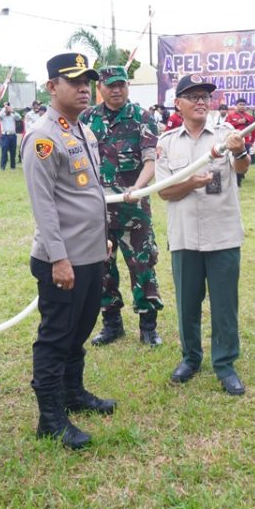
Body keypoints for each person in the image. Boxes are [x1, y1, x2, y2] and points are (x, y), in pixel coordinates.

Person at [20, 53, 116, 450]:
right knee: (56, 336)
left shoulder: (82, 131)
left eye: (86, 81)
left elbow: (88, 193)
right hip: (62, 259)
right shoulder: (43, 138)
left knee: (80, 330)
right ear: (51, 87)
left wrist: (102, 236)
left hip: (90, 253)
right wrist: (59, 258)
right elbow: (44, 206)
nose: (83, 88)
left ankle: (73, 393)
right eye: (73, 81)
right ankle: (50, 417)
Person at [155, 74, 250, 396]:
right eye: (193, 96)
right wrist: (192, 183)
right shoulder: (167, 143)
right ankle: (190, 358)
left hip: (222, 234)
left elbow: (242, 168)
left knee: (225, 305)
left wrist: (239, 151)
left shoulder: (227, 135)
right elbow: (164, 192)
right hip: (184, 237)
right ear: (177, 104)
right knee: (187, 303)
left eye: (205, 97)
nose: (200, 102)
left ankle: (225, 363)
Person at [81, 66, 164, 347]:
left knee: (142, 265)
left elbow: (150, 160)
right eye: (111, 86)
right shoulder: (86, 119)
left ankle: (148, 326)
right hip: (97, 210)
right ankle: (111, 323)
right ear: (100, 89)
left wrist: (137, 187)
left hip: (133, 209)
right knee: (101, 267)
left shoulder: (142, 117)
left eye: (121, 85)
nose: (117, 90)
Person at [225, 98, 255, 186]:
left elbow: (254, 130)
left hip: (246, 142)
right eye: (240, 104)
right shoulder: (230, 116)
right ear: (236, 106)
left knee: (243, 160)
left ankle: (240, 177)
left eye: (243, 105)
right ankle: (237, 181)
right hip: (234, 143)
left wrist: (252, 141)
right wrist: (238, 122)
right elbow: (226, 127)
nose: (242, 106)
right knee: (234, 160)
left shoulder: (249, 117)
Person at [0, 102, 22, 170]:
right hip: (5, 135)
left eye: (8, 108)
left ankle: (13, 166)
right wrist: (4, 109)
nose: (8, 110)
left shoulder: (13, 115)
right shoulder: (2, 116)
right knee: (4, 151)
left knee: (13, 151)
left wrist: (12, 111)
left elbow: (19, 118)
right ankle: (2, 166)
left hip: (13, 135)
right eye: (6, 108)